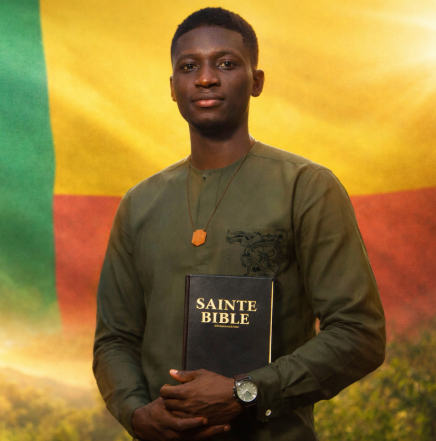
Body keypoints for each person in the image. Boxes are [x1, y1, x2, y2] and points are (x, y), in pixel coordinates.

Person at [92, 7, 386, 441]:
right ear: (172, 87)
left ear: (256, 81)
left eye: (226, 63)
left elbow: (359, 334)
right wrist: (136, 414)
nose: (205, 78)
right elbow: (114, 339)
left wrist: (247, 393)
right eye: (188, 67)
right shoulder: (139, 204)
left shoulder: (306, 187)